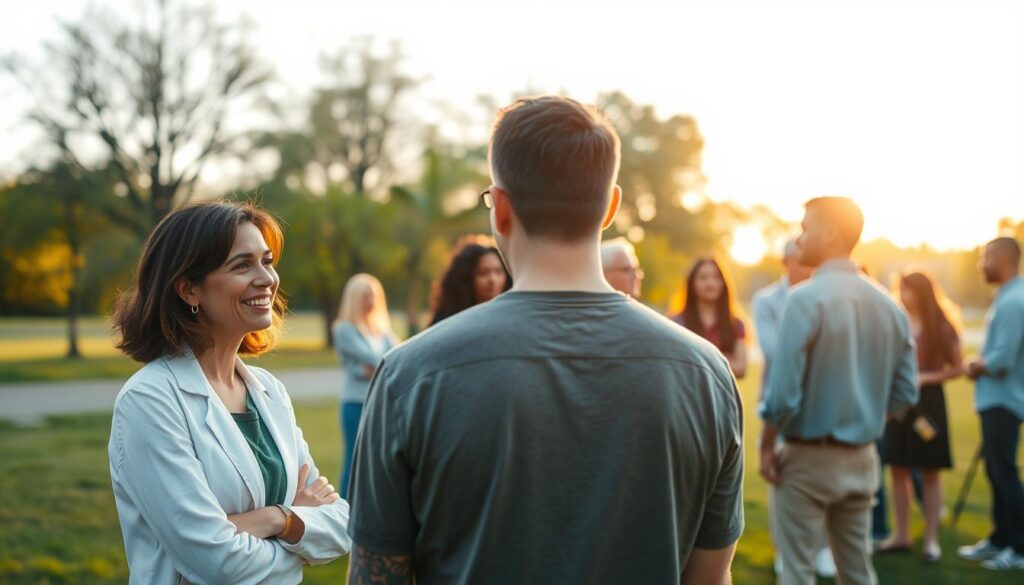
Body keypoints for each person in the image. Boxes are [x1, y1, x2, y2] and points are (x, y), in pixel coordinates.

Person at [346, 96, 743, 585]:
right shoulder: (705, 374)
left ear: (503, 208)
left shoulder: (411, 375)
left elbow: (375, 575)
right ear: (610, 208)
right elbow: (711, 576)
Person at [107, 201, 351, 583]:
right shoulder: (149, 401)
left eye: (267, 261)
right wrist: (297, 525)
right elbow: (217, 562)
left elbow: (341, 525)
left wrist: (276, 518)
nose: (267, 278)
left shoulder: (269, 390)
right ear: (188, 289)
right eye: (242, 265)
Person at [759, 196, 919, 585]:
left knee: (797, 571)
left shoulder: (804, 299)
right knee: (858, 573)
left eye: (804, 228)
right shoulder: (890, 306)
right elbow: (906, 393)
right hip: (863, 458)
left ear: (829, 233)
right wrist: (863, 415)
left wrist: (766, 447)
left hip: (807, 457)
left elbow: (782, 396)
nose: (799, 239)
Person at [751, 238, 834, 578]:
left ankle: (823, 548)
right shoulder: (767, 300)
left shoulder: (828, 296)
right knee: (780, 476)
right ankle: (785, 548)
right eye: (801, 259)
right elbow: (775, 351)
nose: (808, 267)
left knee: (826, 473)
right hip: (780, 400)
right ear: (786, 261)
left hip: (823, 399)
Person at [876, 272, 963, 562]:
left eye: (907, 290)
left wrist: (925, 378)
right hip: (899, 405)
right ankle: (901, 535)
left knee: (930, 472)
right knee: (898, 469)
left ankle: (930, 541)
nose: (902, 295)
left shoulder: (942, 326)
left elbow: (957, 368)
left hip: (929, 405)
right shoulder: (897, 321)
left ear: (921, 292)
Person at [959, 236, 1024, 571]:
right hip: (996, 399)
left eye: (984, 257)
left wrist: (974, 365)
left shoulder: (1014, 301)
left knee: (1005, 473)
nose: (980, 264)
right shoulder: (1007, 297)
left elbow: (1002, 359)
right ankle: (1000, 538)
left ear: (1001, 258)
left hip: (1004, 400)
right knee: (996, 471)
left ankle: (1019, 547)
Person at [332, 273, 397, 499]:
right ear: (354, 299)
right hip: (355, 403)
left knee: (380, 458)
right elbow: (378, 359)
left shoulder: (382, 330)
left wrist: (371, 367)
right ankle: (346, 510)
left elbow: (395, 357)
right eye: (365, 297)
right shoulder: (343, 329)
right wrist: (374, 365)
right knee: (355, 458)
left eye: (373, 296)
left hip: (379, 401)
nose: (370, 302)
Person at [672, 257, 748, 379]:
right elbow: (675, 365)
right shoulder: (676, 323)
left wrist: (698, 357)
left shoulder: (736, 324)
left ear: (723, 283)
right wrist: (724, 358)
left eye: (716, 277)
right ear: (691, 284)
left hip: (723, 396)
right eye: (703, 278)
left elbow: (741, 369)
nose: (710, 283)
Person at [428, 235, 511, 326]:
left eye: (498, 272)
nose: (492, 279)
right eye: (482, 273)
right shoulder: (446, 322)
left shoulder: (511, 315)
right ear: (466, 278)